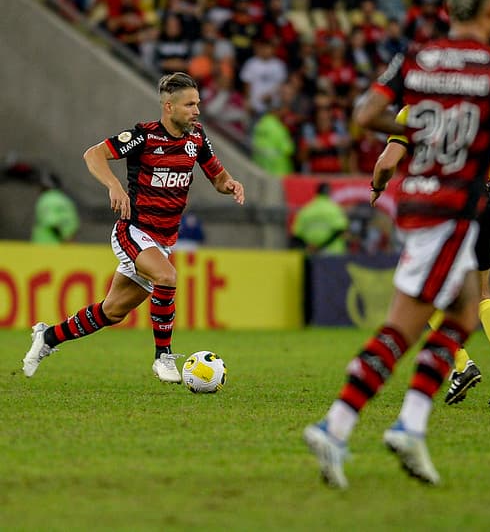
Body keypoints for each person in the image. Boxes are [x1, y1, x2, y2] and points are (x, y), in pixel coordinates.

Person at [303, 0, 490, 489]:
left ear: (450, 13)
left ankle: (407, 424)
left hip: (419, 202)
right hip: (458, 206)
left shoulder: (417, 58)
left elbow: (365, 115)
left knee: (462, 313)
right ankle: (338, 426)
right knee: (405, 327)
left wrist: (420, 127)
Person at [21, 72, 245, 382]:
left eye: (197, 104)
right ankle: (163, 357)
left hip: (163, 240)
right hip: (134, 231)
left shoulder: (196, 138)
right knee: (167, 277)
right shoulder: (145, 136)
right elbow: (93, 154)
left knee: (112, 312)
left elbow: (217, 177)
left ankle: (48, 337)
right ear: (169, 107)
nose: (196, 111)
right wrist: (114, 185)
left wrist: (230, 184)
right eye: (189, 105)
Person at [370, 91, 490, 409]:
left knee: (424, 291)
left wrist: (377, 186)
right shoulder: (488, 115)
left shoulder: (415, 112)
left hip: (441, 202)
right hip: (486, 202)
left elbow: (386, 164)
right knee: (483, 294)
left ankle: (461, 365)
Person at [290, 181, 349, 255]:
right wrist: (321, 246)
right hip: (333, 252)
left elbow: (296, 234)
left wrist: (310, 246)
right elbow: (340, 230)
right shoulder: (335, 209)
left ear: (317, 192)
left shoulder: (306, 210)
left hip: (311, 253)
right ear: (329, 193)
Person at [31, 173, 80, 244]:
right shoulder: (63, 198)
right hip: (65, 242)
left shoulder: (47, 199)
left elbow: (52, 222)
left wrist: (64, 238)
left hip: (48, 243)